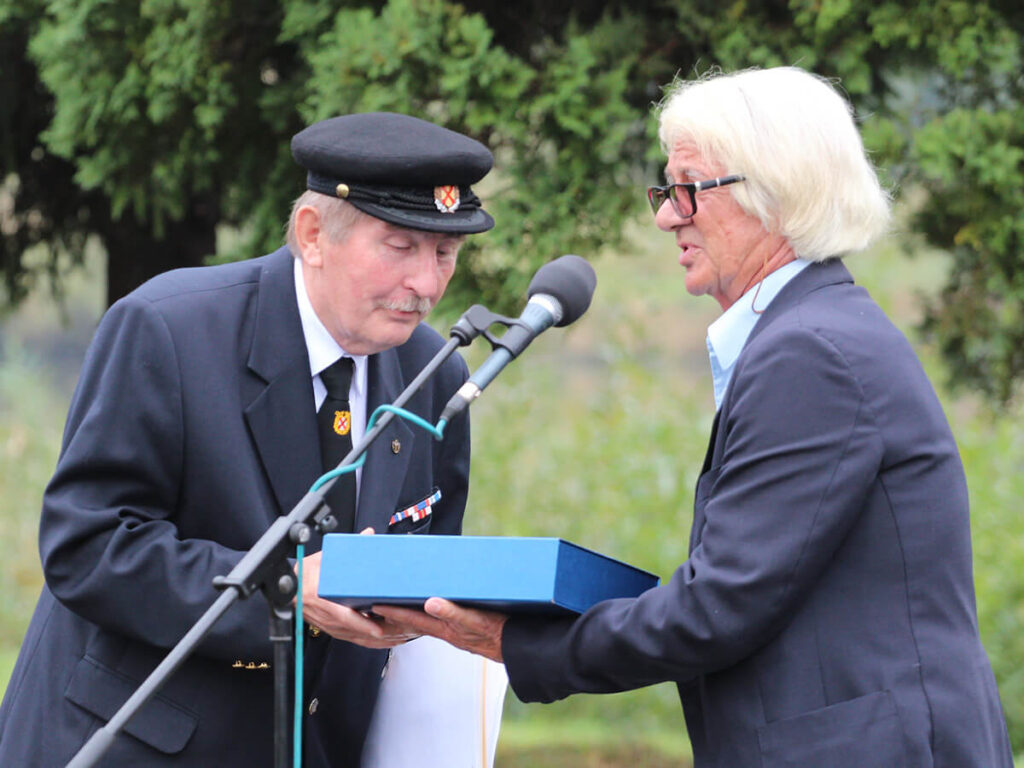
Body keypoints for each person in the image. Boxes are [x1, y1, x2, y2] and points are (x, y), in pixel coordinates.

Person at [376, 67, 1015, 767]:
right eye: (665, 191)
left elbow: (717, 607)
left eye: (688, 190)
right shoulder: (818, 332)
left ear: (776, 194)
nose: (666, 216)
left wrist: (517, 642)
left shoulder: (811, 354)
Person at [0, 112, 493, 767]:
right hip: (140, 746)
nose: (427, 284)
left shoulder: (435, 373)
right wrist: (283, 592)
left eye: (445, 253)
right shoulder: (169, 330)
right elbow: (87, 547)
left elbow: (428, 567)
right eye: (400, 247)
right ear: (313, 235)